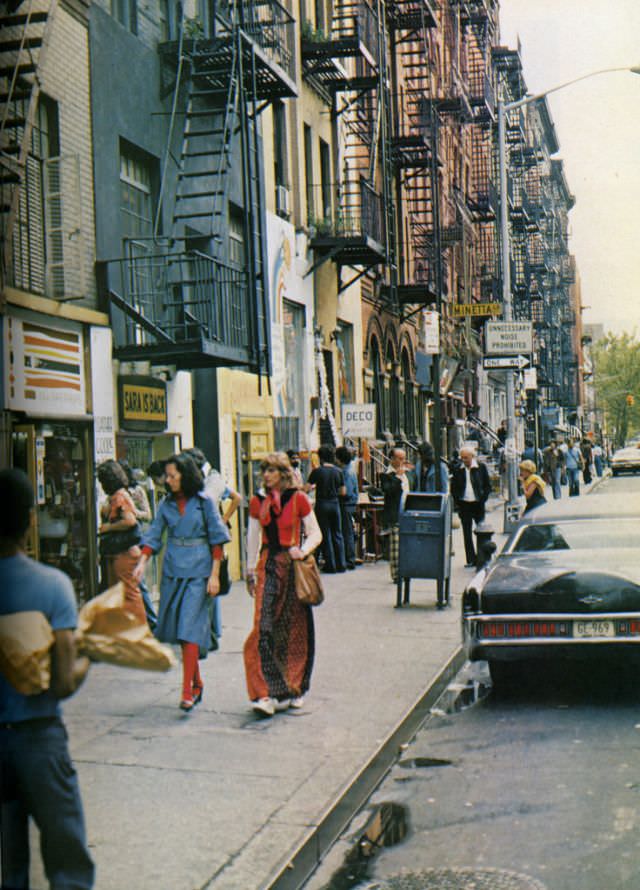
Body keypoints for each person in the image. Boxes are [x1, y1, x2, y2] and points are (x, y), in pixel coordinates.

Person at [0, 468, 94, 890]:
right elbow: (62, 683)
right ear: (30, 520)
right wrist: (89, 655)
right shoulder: (53, 587)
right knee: (65, 857)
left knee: (8, 865)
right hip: (39, 739)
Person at [133, 453, 229, 711]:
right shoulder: (166, 505)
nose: (169, 480)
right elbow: (153, 535)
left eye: (174, 476)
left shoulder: (204, 502)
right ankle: (197, 682)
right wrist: (142, 562)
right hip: (173, 570)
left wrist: (215, 574)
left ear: (186, 476)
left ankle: (187, 691)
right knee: (181, 631)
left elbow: (217, 538)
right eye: (168, 476)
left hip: (200, 571)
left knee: (188, 627)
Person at [244, 452, 322, 717]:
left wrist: (303, 549)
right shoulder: (258, 501)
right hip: (268, 565)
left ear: (283, 474)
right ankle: (262, 693)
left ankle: (295, 688)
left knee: (294, 628)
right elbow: (253, 536)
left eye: (272, 471)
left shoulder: (298, 499)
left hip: (291, 567)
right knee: (262, 628)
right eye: (264, 470)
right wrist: (249, 569)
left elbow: (315, 532)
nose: (266, 475)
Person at [183, 447, 242, 648]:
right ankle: (214, 629)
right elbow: (237, 497)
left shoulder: (206, 487)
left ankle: (209, 635)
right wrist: (224, 520)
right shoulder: (215, 480)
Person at [96, 459, 146, 625]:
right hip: (119, 552)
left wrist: (107, 528)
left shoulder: (119, 497)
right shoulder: (118, 495)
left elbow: (130, 521)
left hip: (124, 552)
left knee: (129, 594)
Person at [119, 461, 157, 630]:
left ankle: (152, 620)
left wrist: (133, 512)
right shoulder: (119, 493)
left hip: (137, 537)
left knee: (138, 581)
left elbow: (148, 514)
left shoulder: (137, 491)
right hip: (124, 540)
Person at [306, 445, 346, 573]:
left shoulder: (317, 471)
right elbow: (343, 491)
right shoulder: (338, 471)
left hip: (322, 504)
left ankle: (331, 565)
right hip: (335, 504)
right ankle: (341, 564)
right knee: (337, 534)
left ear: (321, 457)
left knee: (325, 534)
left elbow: (306, 488)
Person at [451, 446, 492, 567]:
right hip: (465, 505)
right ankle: (471, 559)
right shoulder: (458, 469)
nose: (464, 460)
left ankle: (482, 557)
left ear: (472, 457)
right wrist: (458, 501)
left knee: (482, 532)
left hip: (478, 504)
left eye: (466, 458)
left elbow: (487, 485)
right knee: (467, 533)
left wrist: (483, 499)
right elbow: (454, 487)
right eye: (462, 458)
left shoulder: (481, 467)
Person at [379, 447, 411, 584]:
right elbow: (388, 490)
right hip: (395, 513)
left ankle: (407, 571)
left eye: (403, 458)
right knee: (396, 545)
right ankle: (397, 574)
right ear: (392, 459)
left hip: (408, 511)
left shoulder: (407, 473)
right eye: (399, 458)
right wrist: (397, 477)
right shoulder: (387, 475)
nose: (402, 461)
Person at [335, 445, 359, 570]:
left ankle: (349, 559)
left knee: (346, 531)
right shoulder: (347, 469)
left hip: (347, 504)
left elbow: (347, 492)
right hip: (348, 504)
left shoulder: (347, 472)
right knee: (346, 531)